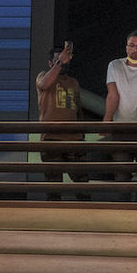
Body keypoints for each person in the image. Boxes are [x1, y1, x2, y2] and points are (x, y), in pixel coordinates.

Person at [35, 41, 85, 196]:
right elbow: (44, 84)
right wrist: (59, 62)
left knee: (82, 183)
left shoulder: (73, 82)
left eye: (65, 60)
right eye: (58, 60)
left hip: (73, 139)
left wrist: (81, 135)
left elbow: (77, 109)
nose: (63, 63)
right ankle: (52, 216)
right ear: (51, 63)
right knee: (53, 185)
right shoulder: (42, 76)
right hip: (51, 138)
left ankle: (86, 216)